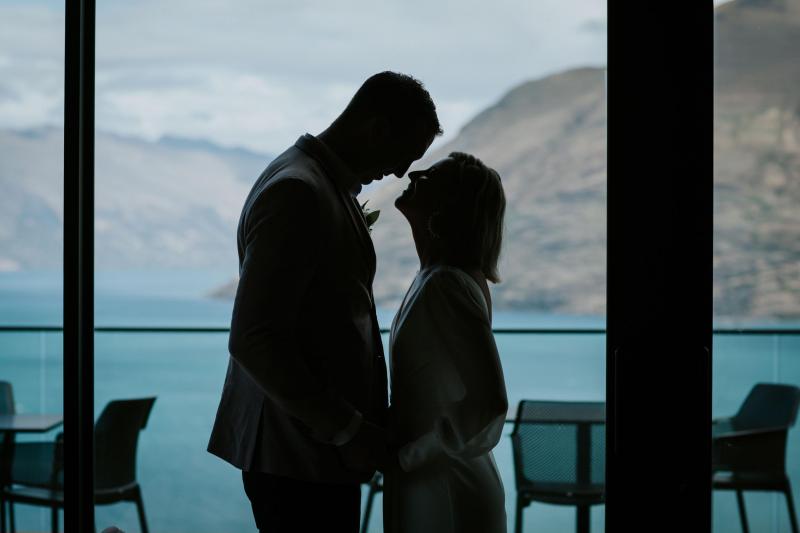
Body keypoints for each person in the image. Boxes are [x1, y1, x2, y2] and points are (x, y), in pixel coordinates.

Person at [207, 71, 442, 533]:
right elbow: (254, 338)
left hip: (309, 452)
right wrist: (348, 430)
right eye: (402, 155)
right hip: (296, 453)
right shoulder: (298, 191)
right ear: (376, 129)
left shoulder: (314, 182)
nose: (398, 172)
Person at [384, 152, 509, 533]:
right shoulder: (436, 275)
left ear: (447, 205)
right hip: (431, 475)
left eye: (430, 177)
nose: (414, 174)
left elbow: (489, 403)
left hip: (447, 487)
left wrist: (407, 455)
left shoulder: (446, 284)